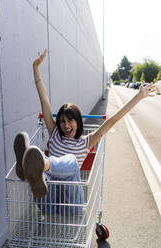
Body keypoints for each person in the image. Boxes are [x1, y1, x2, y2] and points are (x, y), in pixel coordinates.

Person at [14, 50, 156, 212]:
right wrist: (35, 68)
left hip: (71, 204)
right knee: (45, 172)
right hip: (48, 202)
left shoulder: (86, 142)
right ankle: (29, 170)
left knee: (71, 162)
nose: (66, 126)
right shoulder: (54, 132)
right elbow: (44, 100)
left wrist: (139, 97)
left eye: (70, 121)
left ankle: (42, 164)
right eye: (62, 122)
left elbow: (114, 119)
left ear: (78, 122)